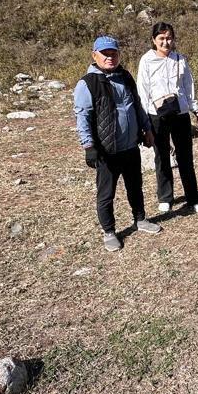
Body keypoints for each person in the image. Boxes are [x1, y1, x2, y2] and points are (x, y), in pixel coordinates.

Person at [73, 35, 162, 252]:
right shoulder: (88, 83)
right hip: (107, 150)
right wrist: (89, 146)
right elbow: (82, 117)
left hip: (130, 146)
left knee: (135, 187)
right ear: (94, 56)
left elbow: (137, 105)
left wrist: (147, 129)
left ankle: (140, 219)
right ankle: (109, 231)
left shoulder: (125, 76)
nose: (110, 57)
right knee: (106, 194)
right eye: (105, 54)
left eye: (113, 53)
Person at [137, 22, 198, 215]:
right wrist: (144, 121)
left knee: (185, 157)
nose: (165, 42)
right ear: (153, 40)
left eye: (169, 38)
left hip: (180, 113)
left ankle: (193, 197)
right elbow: (142, 91)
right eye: (161, 38)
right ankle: (165, 197)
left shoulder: (180, 59)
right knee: (161, 156)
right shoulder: (147, 61)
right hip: (156, 115)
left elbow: (188, 88)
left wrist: (197, 113)